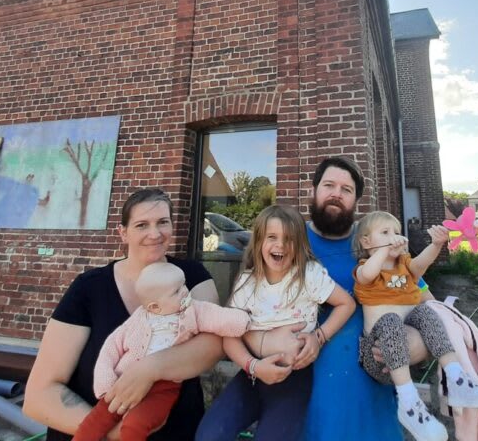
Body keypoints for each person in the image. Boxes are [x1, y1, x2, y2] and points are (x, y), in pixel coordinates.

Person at [244, 156, 433, 440]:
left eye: (346, 190)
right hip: (297, 408)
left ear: (357, 200)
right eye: (329, 185)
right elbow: (243, 314)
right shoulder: (283, 241)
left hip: (372, 409)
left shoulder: (377, 243)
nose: (336, 193)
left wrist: (418, 346)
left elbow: (430, 306)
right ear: (313, 190)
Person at [24, 188, 224, 441]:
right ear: (123, 232)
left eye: (163, 222)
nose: (155, 234)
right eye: (142, 225)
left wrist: (149, 369)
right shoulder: (88, 288)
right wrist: (113, 432)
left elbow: (213, 346)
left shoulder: (192, 276)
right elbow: (39, 395)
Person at [196, 205, 355, 441]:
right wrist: (253, 366)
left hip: (293, 381)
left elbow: (346, 304)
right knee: (209, 435)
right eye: (272, 237)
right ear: (259, 241)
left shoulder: (308, 274)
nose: (280, 245)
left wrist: (319, 336)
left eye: (288, 239)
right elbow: (229, 334)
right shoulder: (247, 282)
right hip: (251, 376)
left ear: (299, 244)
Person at [353, 211, 478, 441]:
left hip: (403, 353)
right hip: (377, 356)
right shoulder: (365, 269)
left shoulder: (405, 265)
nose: (394, 237)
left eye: (397, 233)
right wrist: (382, 251)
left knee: (427, 312)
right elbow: (366, 274)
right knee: (390, 321)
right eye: (385, 232)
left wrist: (436, 244)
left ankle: (456, 379)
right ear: (366, 241)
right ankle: (408, 403)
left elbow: (421, 264)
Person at [73, 262, 251, 441]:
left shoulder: (192, 311)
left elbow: (217, 317)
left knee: (135, 424)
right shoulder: (139, 319)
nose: (184, 292)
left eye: (183, 285)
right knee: (95, 421)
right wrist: (105, 381)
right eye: (176, 291)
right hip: (123, 382)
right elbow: (111, 346)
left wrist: (245, 321)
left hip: (163, 387)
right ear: (154, 307)